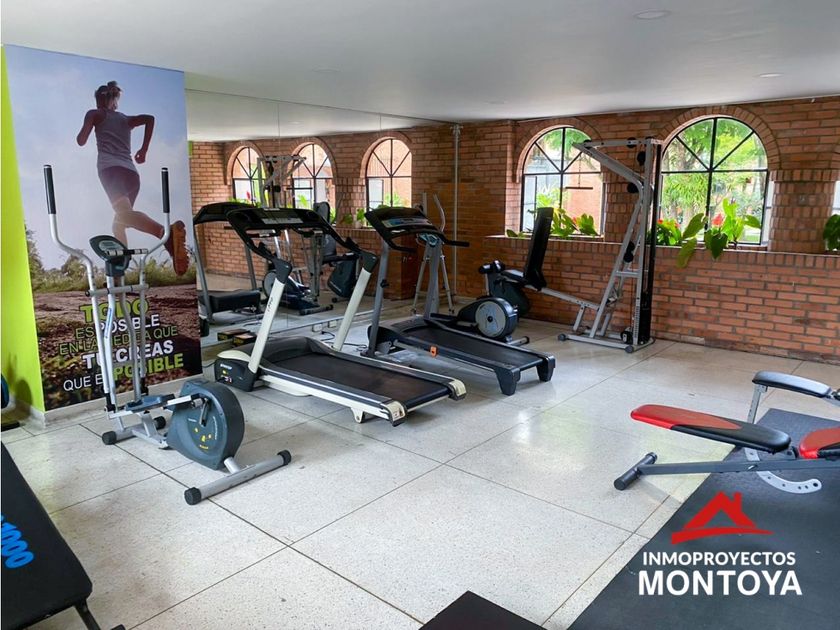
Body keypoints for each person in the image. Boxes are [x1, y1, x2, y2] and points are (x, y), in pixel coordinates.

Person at [77, 81, 188, 275]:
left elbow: (81, 140)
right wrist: (143, 150)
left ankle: (165, 234)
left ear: (99, 100)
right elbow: (149, 119)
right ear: (114, 101)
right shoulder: (125, 119)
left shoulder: (95, 114)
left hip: (110, 171)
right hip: (131, 174)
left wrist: (90, 123)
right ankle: (120, 269)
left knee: (124, 215)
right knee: (120, 222)